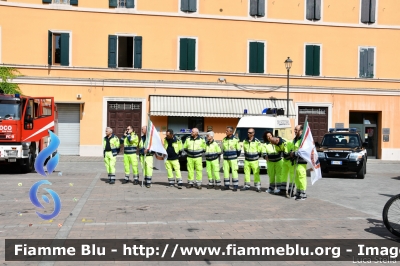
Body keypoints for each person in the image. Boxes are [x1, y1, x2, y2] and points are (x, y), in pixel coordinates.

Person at [241, 128, 263, 192]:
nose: (248, 134)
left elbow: (260, 151)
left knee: (256, 173)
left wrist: (256, 157)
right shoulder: (245, 141)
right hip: (247, 160)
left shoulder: (257, 141)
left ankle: (257, 186)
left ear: (253, 133)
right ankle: (247, 185)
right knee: (246, 173)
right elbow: (244, 150)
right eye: (248, 132)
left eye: (250, 133)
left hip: (254, 161)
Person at [290, 125, 308, 201]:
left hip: (301, 161)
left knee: (301, 177)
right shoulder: (295, 139)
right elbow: (293, 148)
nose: (295, 131)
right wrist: (291, 152)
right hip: (295, 161)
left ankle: (303, 194)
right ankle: (298, 192)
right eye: (294, 129)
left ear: (301, 130)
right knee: (296, 178)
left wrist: (294, 153)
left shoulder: (303, 140)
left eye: (296, 129)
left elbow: (304, 150)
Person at [221, 126, 241, 191]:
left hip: (233, 159)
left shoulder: (236, 139)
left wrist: (234, 156)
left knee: (234, 172)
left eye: (227, 131)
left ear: (231, 132)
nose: (225, 132)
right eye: (226, 130)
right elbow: (223, 149)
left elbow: (238, 150)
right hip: (226, 159)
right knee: (226, 172)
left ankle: (235, 186)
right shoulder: (224, 139)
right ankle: (226, 185)